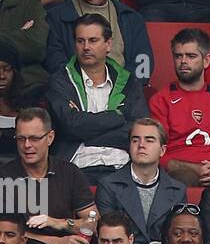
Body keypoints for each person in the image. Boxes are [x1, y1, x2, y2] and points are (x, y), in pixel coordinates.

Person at [0, 108, 98, 244]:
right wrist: (55, 242)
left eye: (34, 138)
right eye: (21, 138)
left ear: (50, 138)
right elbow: (1, 233)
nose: (27, 145)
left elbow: (94, 223)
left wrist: (59, 224)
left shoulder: (69, 172)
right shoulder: (2, 176)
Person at [47, 15, 150, 175]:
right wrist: (117, 117)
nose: (86, 47)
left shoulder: (128, 82)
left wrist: (87, 134)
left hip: (122, 168)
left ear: (108, 44)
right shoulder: (61, 81)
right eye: (80, 41)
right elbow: (70, 125)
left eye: (93, 40)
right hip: (76, 168)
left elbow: (138, 130)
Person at [147, 29, 210, 188]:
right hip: (179, 173)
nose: (183, 61)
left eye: (191, 56)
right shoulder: (160, 100)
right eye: (178, 56)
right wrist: (194, 169)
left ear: (206, 60)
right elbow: (155, 152)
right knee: (182, 179)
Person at [44, 0, 153, 83]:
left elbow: (143, 64)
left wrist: (120, 90)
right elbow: (56, 65)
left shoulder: (131, 18)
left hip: (124, 95)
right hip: (76, 95)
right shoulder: (56, 18)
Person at [95, 119, 189, 244]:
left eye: (149, 140)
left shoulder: (178, 190)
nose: (141, 145)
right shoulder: (108, 185)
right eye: (135, 140)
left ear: (162, 150)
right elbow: (110, 235)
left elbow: (177, 236)